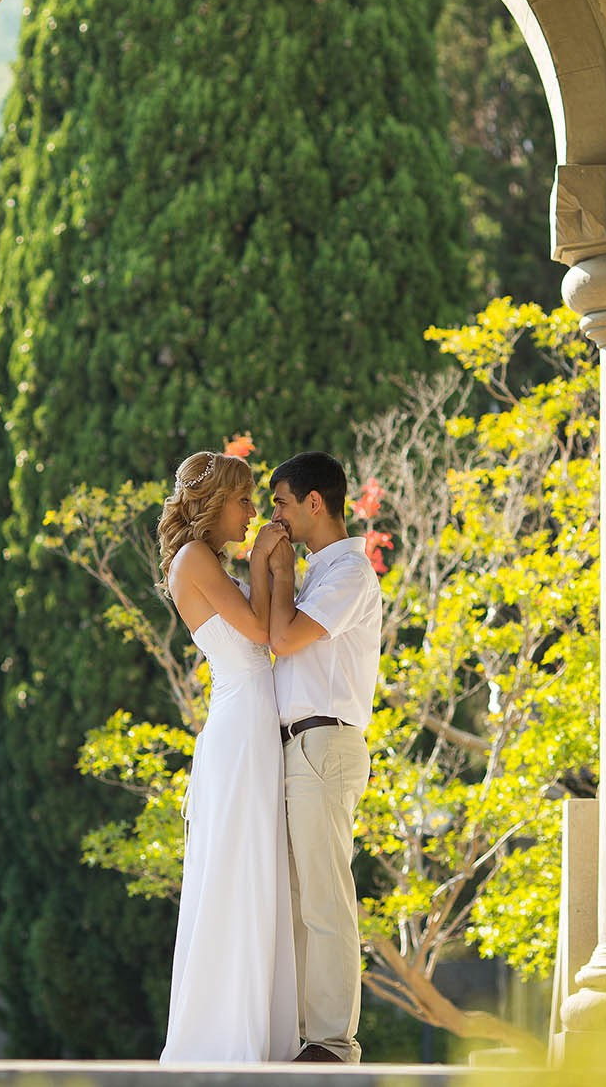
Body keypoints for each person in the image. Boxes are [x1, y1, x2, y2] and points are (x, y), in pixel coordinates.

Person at [158, 449, 300, 1064]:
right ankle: (223, 1036)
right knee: (238, 872)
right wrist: (267, 561)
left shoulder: (205, 559)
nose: (251, 512)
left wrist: (260, 560)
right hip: (241, 725)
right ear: (214, 504)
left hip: (250, 721)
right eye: (244, 501)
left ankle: (257, 1028)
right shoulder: (192, 559)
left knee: (255, 869)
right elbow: (263, 632)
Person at [266, 451, 383, 1065]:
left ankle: (334, 1043)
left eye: (281, 502)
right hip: (295, 748)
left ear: (316, 502)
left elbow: (284, 638)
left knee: (325, 902)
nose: (274, 516)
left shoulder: (347, 576)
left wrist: (280, 568)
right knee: (297, 905)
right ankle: (309, 1036)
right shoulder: (318, 574)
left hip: (323, 744)